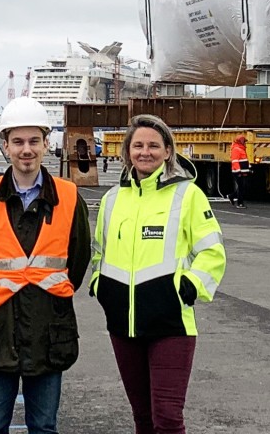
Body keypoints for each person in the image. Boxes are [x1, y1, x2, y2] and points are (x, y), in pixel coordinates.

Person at [0, 97, 91, 434]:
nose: (26, 150)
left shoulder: (69, 196)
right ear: (5, 146)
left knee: (44, 426)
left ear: (47, 144)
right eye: (18, 142)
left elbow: (78, 259)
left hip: (49, 328)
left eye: (34, 141)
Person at [91, 114, 226, 434]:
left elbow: (212, 251)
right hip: (123, 324)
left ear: (168, 151)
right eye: (137, 145)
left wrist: (190, 285)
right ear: (127, 152)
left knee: (166, 417)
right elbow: (99, 251)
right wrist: (100, 285)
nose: (145, 152)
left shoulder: (188, 195)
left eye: (153, 145)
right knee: (142, 417)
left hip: (171, 324)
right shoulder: (112, 200)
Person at [226, 134, 248, 209]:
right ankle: (240, 203)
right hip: (238, 172)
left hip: (242, 172)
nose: (244, 142)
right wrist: (238, 171)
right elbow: (235, 161)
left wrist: (249, 169)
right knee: (242, 187)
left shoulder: (241, 149)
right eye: (243, 141)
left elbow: (244, 161)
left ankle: (231, 196)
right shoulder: (236, 149)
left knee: (243, 187)